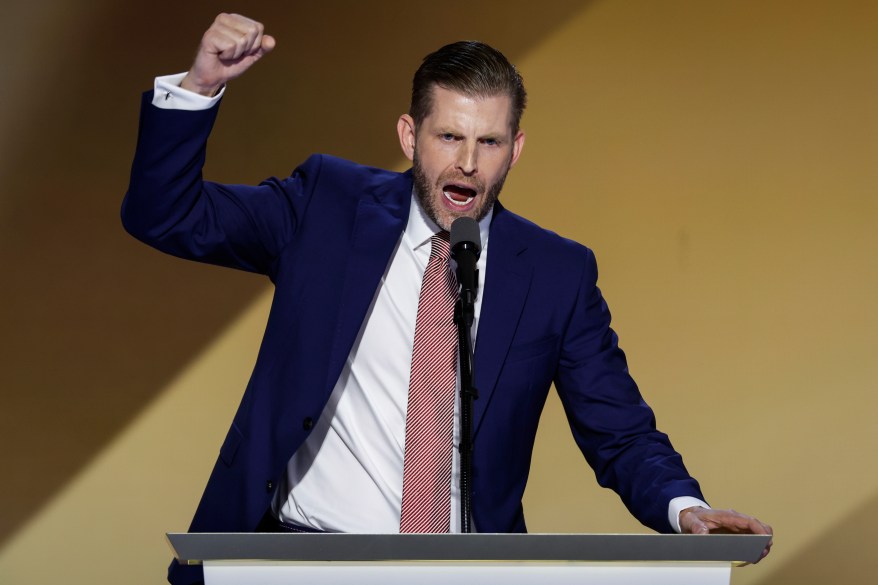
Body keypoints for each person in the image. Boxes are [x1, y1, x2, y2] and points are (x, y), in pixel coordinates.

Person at [122, 13, 772, 585]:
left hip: (465, 572)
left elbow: (621, 432)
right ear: (410, 136)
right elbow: (166, 214)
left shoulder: (556, 273)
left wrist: (685, 509)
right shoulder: (327, 205)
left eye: (488, 142)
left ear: (514, 149)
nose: (467, 162)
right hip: (297, 559)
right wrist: (201, 86)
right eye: (448, 137)